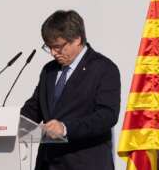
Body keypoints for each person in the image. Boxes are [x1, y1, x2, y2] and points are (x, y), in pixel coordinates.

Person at [21, 10, 121, 170]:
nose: (54, 53)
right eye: (49, 47)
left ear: (77, 39)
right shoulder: (49, 70)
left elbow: (107, 116)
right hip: (48, 164)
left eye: (58, 47)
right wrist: (6, 122)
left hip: (85, 163)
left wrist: (66, 128)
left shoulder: (104, 68)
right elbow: (35, 108)